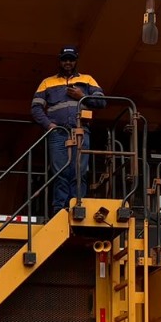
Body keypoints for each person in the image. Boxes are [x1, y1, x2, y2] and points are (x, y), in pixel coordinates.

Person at [30, 46, 106, 216]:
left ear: (75, 60)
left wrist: (82, 96)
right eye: (65, 59)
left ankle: (78, 206)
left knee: (80, 171)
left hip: (81, 131)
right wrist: (49, 125)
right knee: (60, 171)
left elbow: (102, 102)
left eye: (71, 59)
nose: (68, 63)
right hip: (58, 134)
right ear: (60, 61)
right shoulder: (47, 82)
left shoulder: (87, 80)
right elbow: (36, 108)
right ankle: (60, 209)